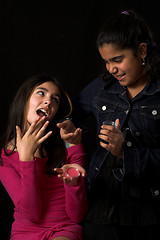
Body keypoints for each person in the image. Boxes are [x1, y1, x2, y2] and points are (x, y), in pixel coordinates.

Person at [71, 9, 160, 240]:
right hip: (102, 206)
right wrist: (71, 130)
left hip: (149, 209)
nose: (111, 69)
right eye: (107, 62)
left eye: (118, 60)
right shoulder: (103, 87)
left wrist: (126, 151)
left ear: (141, 51)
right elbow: (69, 114)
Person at [0, 73, 88, 240]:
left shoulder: (65, 142)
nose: (48, 101)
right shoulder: (5, 156)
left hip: (63, 229)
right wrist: (26, 159)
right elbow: (31, 214)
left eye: (55, 99)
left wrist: (74, 182)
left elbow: (77, 216)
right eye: (41, 93)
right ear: (24, 99)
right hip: (25, 230)